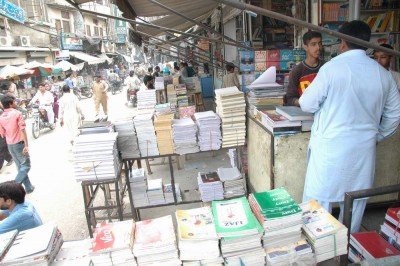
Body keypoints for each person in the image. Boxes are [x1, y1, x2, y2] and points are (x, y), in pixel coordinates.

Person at [299, 20, 400, 233]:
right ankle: (349, 246)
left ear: (343, 42)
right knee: (355, 201)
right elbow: (394, 115)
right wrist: (376, 136)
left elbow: (307, 104)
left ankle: (321, 245)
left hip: (330, 149)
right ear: (367, 43)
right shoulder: (383, 75)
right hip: (363, 151)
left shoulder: (331, 69)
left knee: (320, 201)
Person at [0, 95, 35, 194]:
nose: (16, 103)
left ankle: (28, 187)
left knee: (20, 166)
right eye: (15, 101)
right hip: (19, 143)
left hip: (10, 144)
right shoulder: (17, 113)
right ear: (11, 103)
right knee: (26, 165)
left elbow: (2, 133)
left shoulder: (1, 116)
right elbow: (22, 130)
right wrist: (26, 145)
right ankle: (12, 188)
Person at [285, 31, 324, 106]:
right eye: (313, 44)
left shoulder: (326, 67)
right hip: (304, 113)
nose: (318, 47)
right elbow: (290, 99)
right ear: (305, 47)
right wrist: (303, 102)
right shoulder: (297, 71)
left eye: (320, 43)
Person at [0, 101, 13, 171]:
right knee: (3, 149)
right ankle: (10, 158)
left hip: (2, 133)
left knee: (1, 149)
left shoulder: (2, 113)